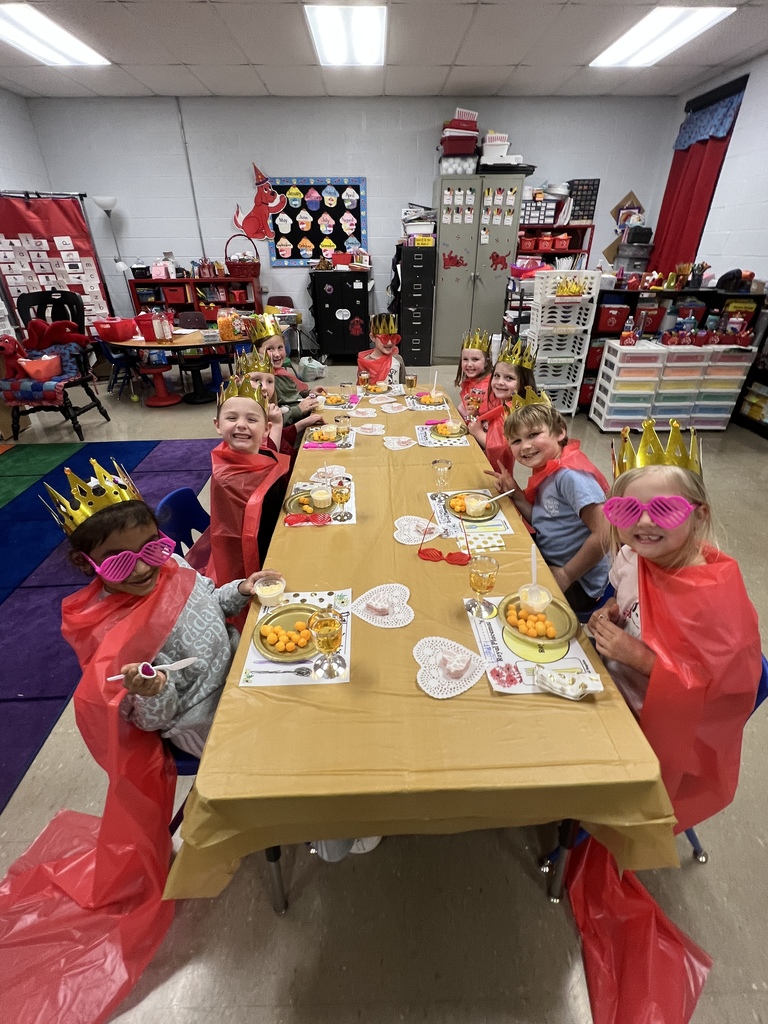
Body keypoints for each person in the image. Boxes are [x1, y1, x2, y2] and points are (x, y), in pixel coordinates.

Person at [588, 420, 762, 832]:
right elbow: (625, 599)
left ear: (698, 515)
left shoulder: (712, 600)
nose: (644, 523)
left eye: (665, 510)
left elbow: (718, 695)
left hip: (654, 729)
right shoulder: (632, 557)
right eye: (627, 510)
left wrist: (640, 658)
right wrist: (609, 612)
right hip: (607, 685)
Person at [44, 461, 283, 756]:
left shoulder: (173, 566)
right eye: (119, 561)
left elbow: (212, 602)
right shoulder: (109, 634)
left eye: (151, 548)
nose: (143, 568)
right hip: (202, 719)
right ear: (84, 562)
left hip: (243, 668)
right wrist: (153, 691)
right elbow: (150, 722)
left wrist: (241, 589)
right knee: (272, 754)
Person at [489, 395, 610, 612]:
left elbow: (605, 534)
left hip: (578, 581)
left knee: (500, 592)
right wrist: (516, 493)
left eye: (533, 435)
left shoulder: (571, 476)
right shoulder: (548, 468)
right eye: (516, 441)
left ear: (560, 432)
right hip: (551, 558)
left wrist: (566, 574)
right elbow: (545, 519)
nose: (525, 446)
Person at [203, 375, 290, 589]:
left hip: (280, 532)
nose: (241, 425)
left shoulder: (264, 453)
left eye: (251, 420)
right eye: (232, 418)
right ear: (217, 425)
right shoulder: (225, 475)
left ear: (266, 429)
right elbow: (238, 538)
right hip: (258, 556)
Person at [468, 338, 537, 475]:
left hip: (496, 472)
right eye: (496, 376)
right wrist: (475, 413)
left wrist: (478, 433)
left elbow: (499, 447)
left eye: (509, 378)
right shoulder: (501, 400)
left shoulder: (512, 412)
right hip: (482, 459)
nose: (500, 382)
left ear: (523, 384)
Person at [239, 349, 323, 458]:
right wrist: (277, 424)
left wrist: (303, 423)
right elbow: (269, 458)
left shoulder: (265, 407)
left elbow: (281, 437)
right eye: (256, 380)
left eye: (270, 381)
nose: (264, 387)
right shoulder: (241, 418)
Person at [250, 313, 325, 424]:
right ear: (256, 352)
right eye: (270, 349)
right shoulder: (262, 383)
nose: (277, 354)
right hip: (292, 425)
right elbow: (269, 418)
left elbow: (292, 396)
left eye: (280, 347)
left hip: (305, 415)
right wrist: (298, 410)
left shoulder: (282, 373)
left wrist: (309, 393)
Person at [357, 313, 406, 386]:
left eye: (393, 338)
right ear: (373, 337)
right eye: (384, 338)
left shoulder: (398, 359)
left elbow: (403, 386)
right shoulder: (365, 361)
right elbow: (361, 388)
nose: (389, 343)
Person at [454, 329, 492, 421]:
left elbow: (481, 419)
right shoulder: (471, 381)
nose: (469, 364)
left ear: (486, 362)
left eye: (475, 359)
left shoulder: (484, 388)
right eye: (465, 359)